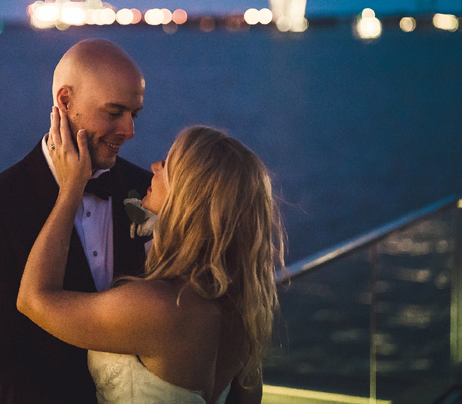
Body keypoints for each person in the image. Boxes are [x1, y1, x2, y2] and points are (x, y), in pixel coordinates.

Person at [18, 112, 282, 404]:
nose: (154, 166)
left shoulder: (158, 307)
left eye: (168, 165)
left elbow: (33, 300)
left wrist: (70, 189)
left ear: (188, 198)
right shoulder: (242, 310)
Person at [0, 39, 154, 404]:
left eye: (134, 114)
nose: (129, 130)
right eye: (114, 113)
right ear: (65, 101)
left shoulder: (147, 191)